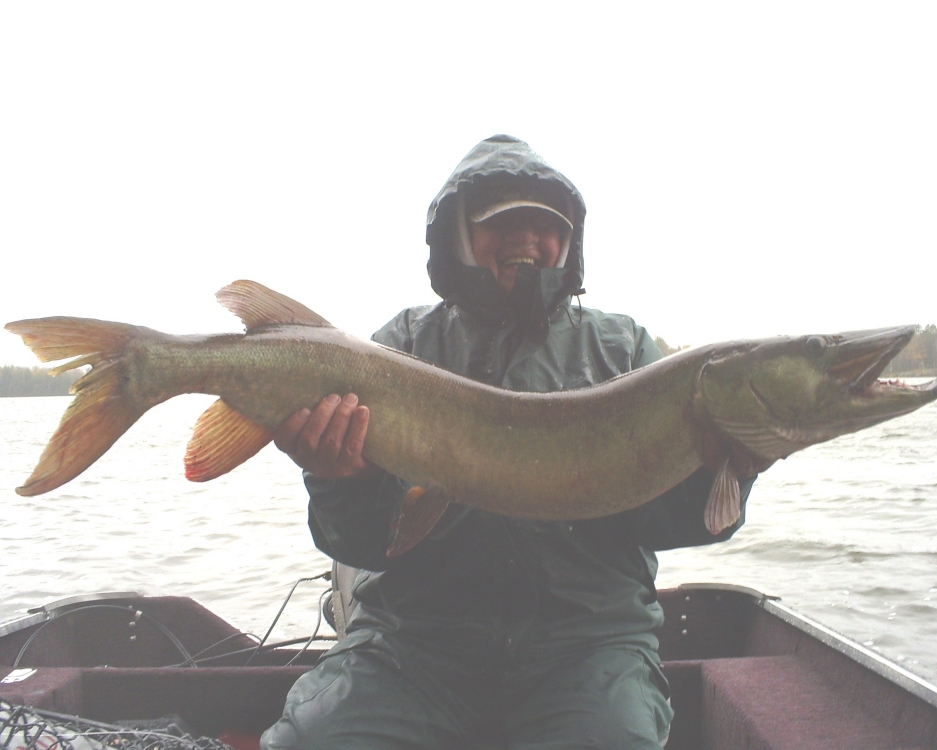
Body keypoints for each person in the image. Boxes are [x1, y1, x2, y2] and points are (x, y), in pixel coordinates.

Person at [260, 135, 762, 750]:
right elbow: (359, 543)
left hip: (586, 651)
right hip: (412, 648)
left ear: (569, 241)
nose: (526, 238)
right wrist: (341, 480)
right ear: (459, 236)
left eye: (545, 225)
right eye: (500, 222)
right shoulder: (401, 347)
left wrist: (730, 473)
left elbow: (668, 520)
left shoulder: (625, 350)